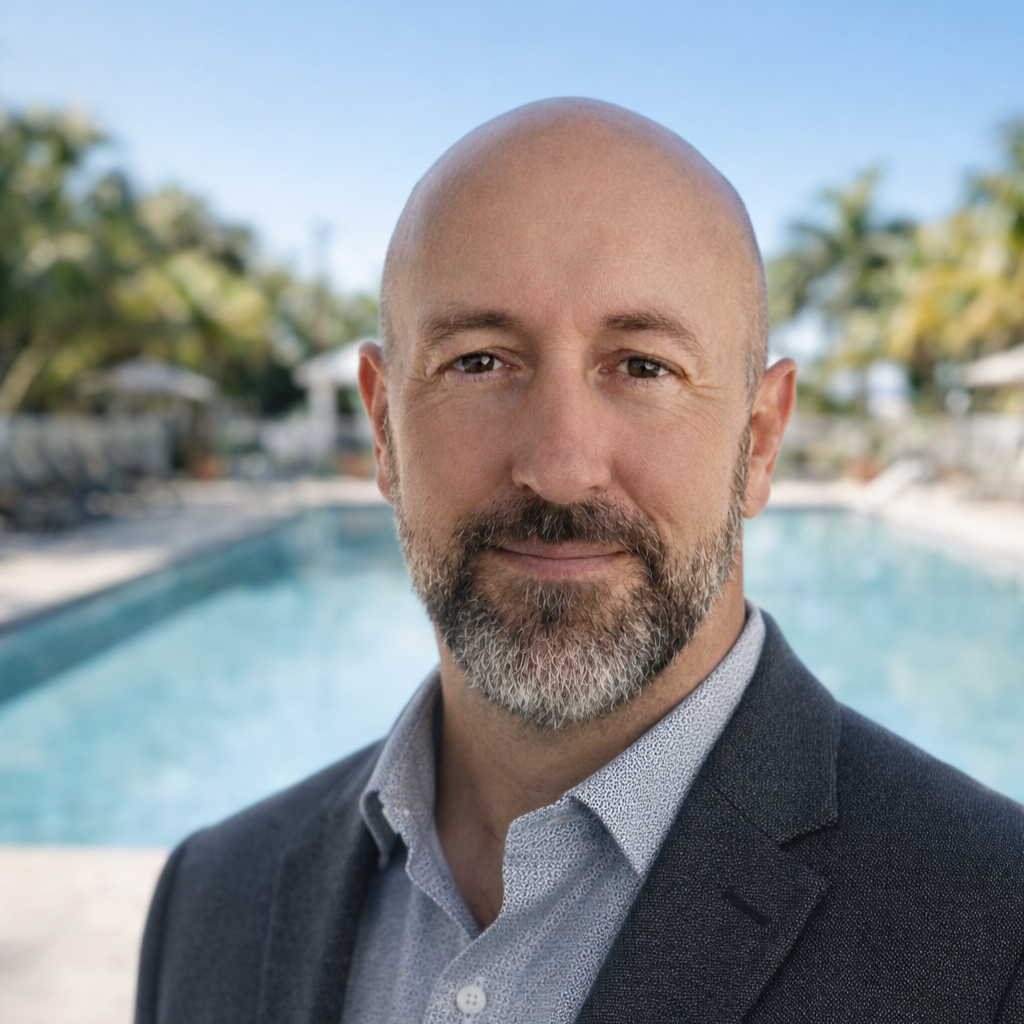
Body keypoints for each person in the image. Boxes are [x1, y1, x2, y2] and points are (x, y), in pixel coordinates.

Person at [135, 100, 1024, 1024]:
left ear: (759, 441)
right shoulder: (212, 899)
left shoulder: (999, 938)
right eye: (479, 362)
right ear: (384, 427)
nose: (559, 469)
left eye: (642, 367)